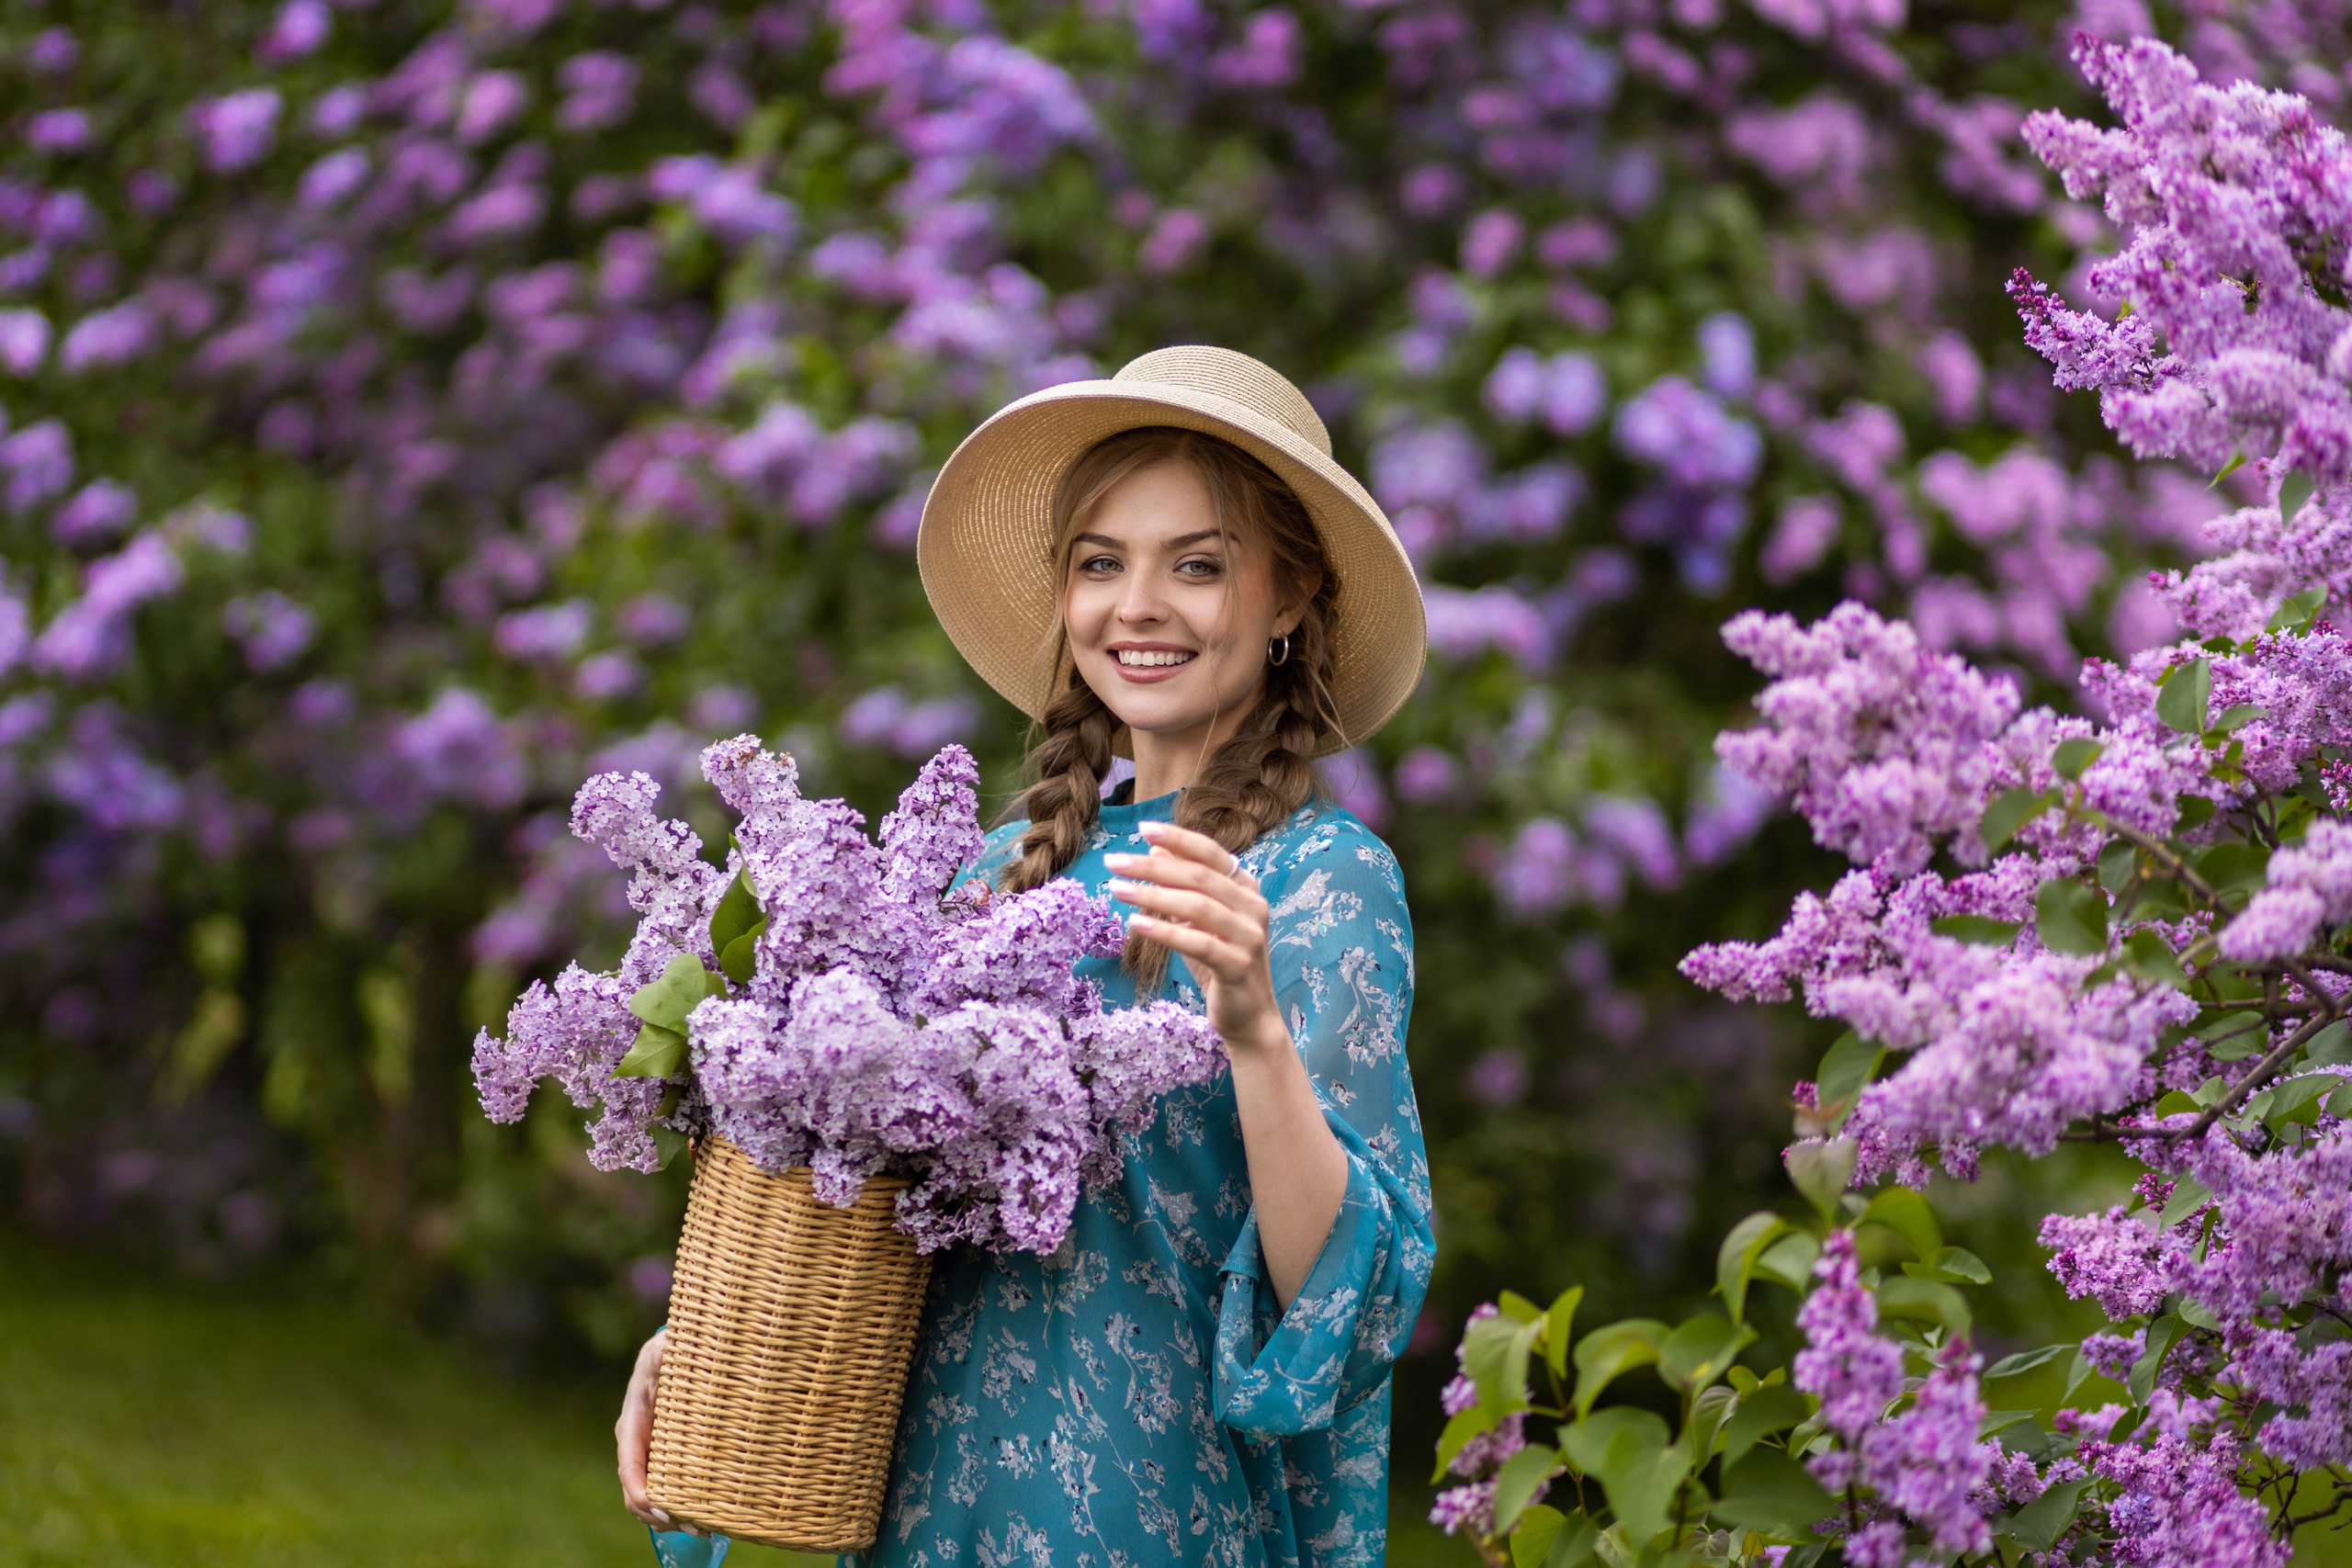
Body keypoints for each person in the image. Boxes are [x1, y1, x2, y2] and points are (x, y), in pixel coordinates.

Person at [616, 346, 1434, 1568]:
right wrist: (707, 1348)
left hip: (1150, 1521)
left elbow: (1347, 1308)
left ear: (1290, 598)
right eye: (1100, 563)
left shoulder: (1322, 882)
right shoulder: (998, 877)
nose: (1137, 605)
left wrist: (1257, 1032)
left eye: (1197, 565)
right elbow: (874, 1200)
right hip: (932, 1510)